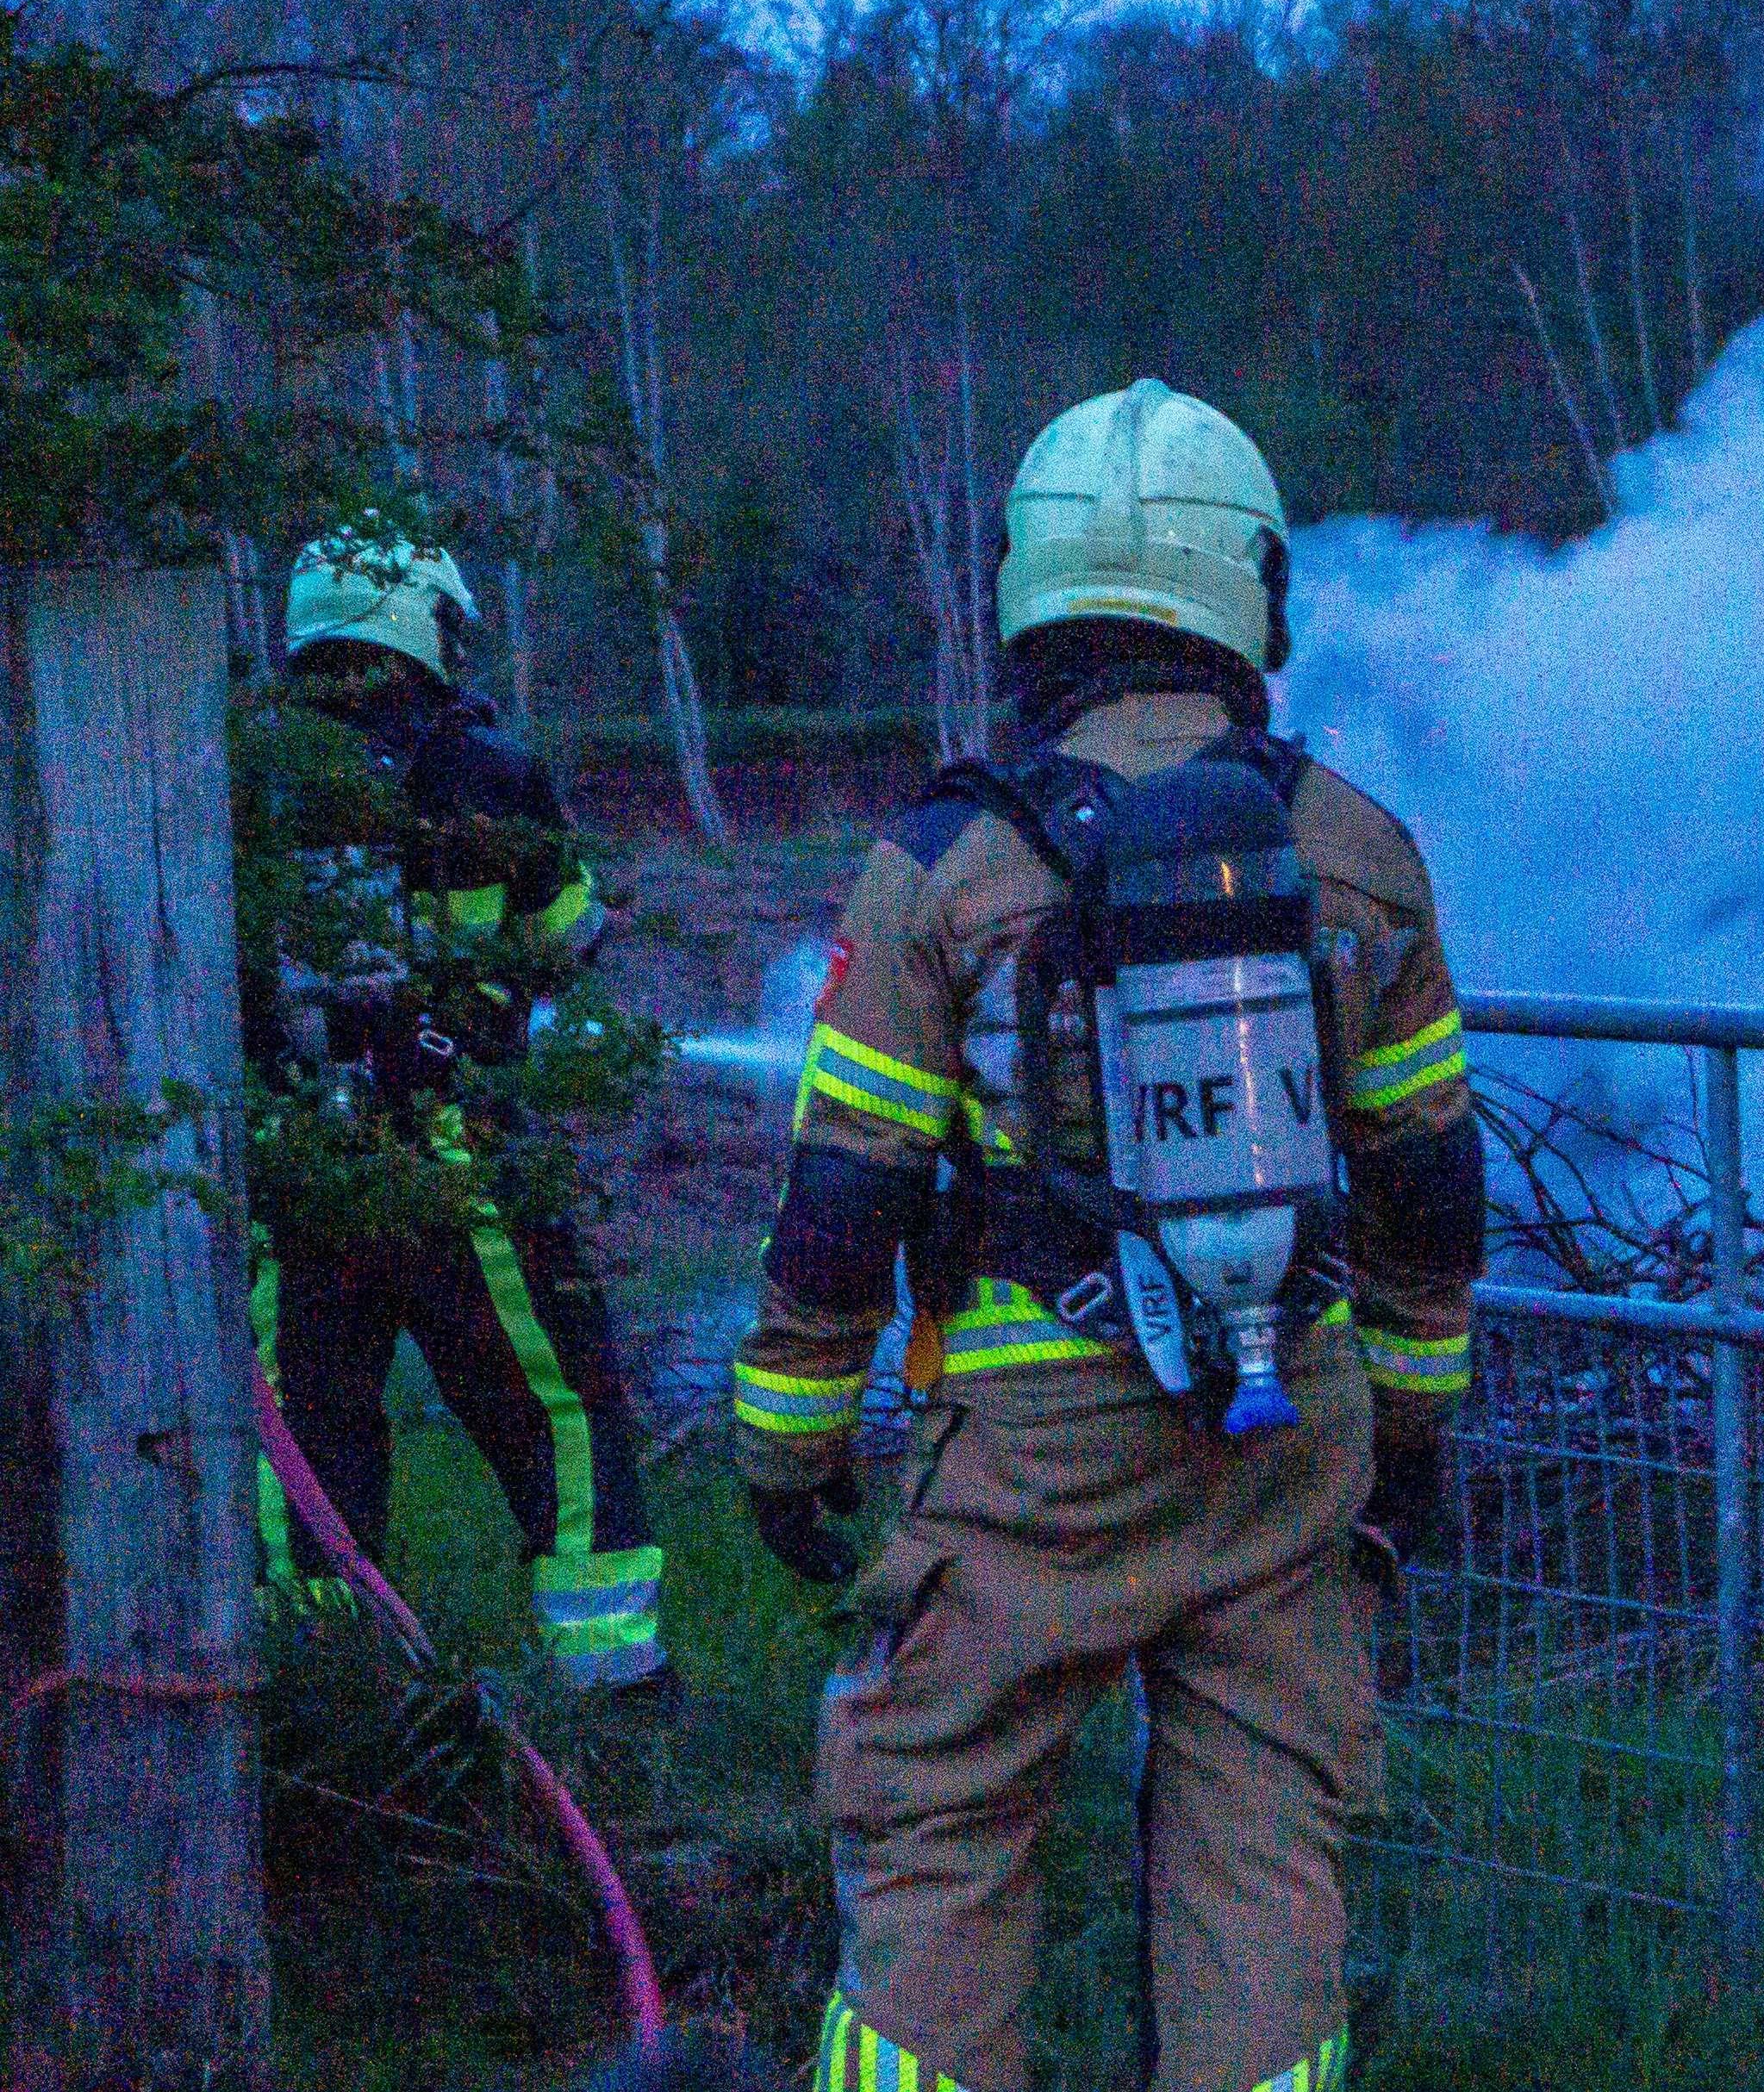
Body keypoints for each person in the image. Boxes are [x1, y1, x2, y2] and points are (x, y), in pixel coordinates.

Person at [734, 379, 1481, 2092]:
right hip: (1287, 1435)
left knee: (942, 1829)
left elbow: (844, 1194)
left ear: (1031, 588)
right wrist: (1411, 1436)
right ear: (1251, 591)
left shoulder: (942, 863)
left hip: (1032, 1460)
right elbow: (1431, 1187)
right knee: (1262, 1851)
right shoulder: (1357, 850)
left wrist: (786, 1449)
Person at [246, 532, 672, 1697]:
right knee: (560, 1417)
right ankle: (613, 1693)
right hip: (462, 1168)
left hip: (295, 1174)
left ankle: (319, 1702)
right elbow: (566, 937)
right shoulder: (485, 769)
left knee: (307, 1450)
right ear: (418, 627)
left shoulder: (238, 772)